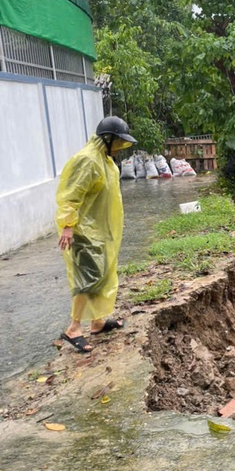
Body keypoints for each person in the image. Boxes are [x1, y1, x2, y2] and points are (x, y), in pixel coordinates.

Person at [56, 116, 137, 353]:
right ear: (107, 138)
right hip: (83, 231)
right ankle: (73, 328)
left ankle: (98, 322)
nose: (121, 147)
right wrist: (68, 225)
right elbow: (71, 195)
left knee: (102, 275)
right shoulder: (87, 161)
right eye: (119, 142)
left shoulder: (105, 160)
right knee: (87, 280)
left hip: (100, 230)